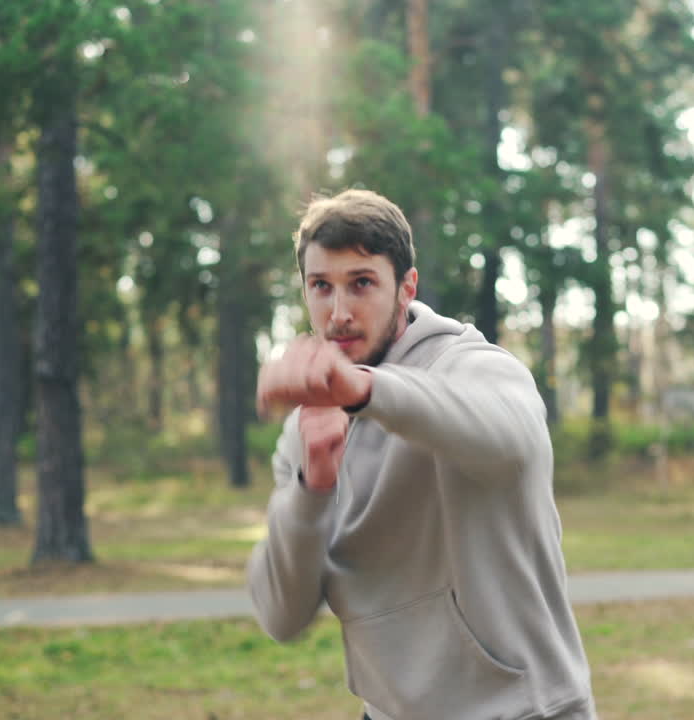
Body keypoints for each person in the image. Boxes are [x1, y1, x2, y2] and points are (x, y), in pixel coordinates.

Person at [249, 189, 596, 720]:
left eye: (361, 283)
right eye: (321, 286)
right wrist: (312, 485)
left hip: (524, 711)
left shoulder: (475, 367)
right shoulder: (306, 427)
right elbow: (281, 615)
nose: (338, 313)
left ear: (406, 287)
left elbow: (513, 440)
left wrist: (365, 390)